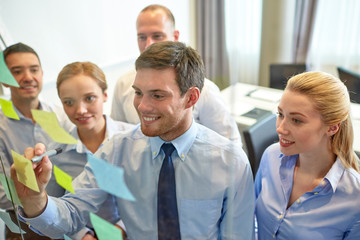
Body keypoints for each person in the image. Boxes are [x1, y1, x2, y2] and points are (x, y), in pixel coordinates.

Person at [12, 41, 254, 240]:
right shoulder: (117, 150)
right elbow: (73, 213)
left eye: (157, 95)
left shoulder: (231, 162)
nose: (142, 106)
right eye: (138, 93)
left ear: (191, 98)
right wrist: (36, 200)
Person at [111, 4, 241, 142]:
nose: (149, 44)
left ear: (175, 36)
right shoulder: (124, 84)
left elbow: (230, 145)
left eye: (157, 36)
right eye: (142, 37)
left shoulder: (206, 91)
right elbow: (117, 133)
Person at [254, 71, 360, 239]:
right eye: (280, 114)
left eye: (296, 120)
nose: (280, 128)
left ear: (332, 127)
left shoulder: (354, 198)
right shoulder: (271, 156)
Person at [46, 62, 134, 239]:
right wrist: (81, 235)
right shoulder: (57, 153)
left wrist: (120, 230)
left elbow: (153, 195)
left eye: (89, 98)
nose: (80, 110)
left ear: (105, 95)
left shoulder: (134, 139)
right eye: (69, 102)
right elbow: (54, 206)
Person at [0, 42, 73, 240]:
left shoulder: (62, 116)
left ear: (41, 74)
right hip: (23, 225)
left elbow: (76, 170)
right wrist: (38, 206)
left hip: (67, 215)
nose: (28, 78)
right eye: (17, 71)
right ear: (4, 80)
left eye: (34, 70)